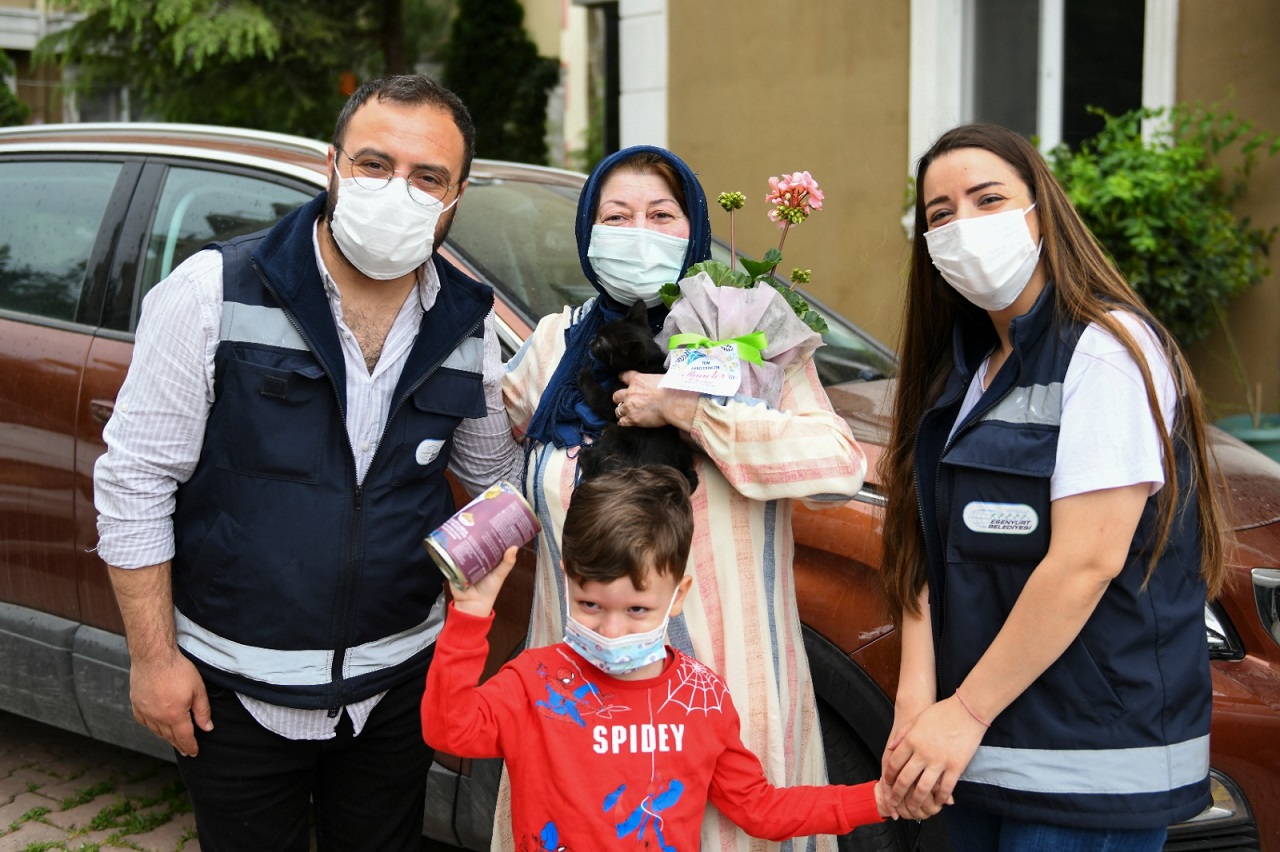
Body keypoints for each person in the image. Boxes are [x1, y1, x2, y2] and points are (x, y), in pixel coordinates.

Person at [91, 75, 520, 851]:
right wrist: (153, 660)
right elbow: (135, 480)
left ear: (456, 196)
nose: (399, 190)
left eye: (428, 177)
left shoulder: (468, 324)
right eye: (374, 164)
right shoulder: (213, 292)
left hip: (395, 690)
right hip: (234, 693)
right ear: (332, 164)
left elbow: (499, 482)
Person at [501, 145, 868, 850]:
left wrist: (689, 410)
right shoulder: (553, 348)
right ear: (588, 233)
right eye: (617, 215)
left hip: (726, 697)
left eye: (660, 215)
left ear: (694, 228)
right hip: (577, 707)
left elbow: (838, 463)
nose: (638, 231)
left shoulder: (740, 336)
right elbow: (493, 443)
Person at [877, 123, 1230, 850]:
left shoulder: (1106, 353)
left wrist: (964, 713)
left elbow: (1084, 563)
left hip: (1087, 764)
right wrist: (919, 698)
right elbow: (922, 541)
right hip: (976, 749)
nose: (964, 227)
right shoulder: (965, 373)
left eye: (988, 198)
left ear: (1043, 212)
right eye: (941, 214)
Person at [424, 466, 904, 848]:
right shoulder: (535, 680)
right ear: (567, 577)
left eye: (637, 609)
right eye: (590, 604)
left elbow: (760, 809)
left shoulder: (703, 698)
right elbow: (449, 729)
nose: (612, 630)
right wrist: (468, 615)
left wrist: (877, 798)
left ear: (678, 595)